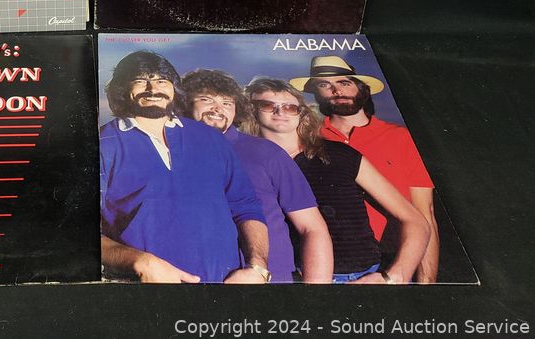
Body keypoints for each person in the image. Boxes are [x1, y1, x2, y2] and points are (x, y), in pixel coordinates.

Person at [100, 51, 270, 284]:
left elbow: (246, 207)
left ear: (174, 88)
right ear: (121, 88)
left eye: (162, 81)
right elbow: (79, 232)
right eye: (140, 81)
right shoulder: (103, 144)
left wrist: (258, 268)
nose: (153, 89)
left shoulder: (211, 138)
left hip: (224, 288)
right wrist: (140, 261)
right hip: (145, 292)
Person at [242, 77, 429, 284]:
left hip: (359, 277)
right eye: (268, 105)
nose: (280, 112)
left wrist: (394, 276)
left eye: (290, 107)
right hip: (290, 278)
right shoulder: (245, 163)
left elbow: (415, 220)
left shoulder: (340, 154)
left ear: (302, 113)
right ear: (251, 110)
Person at [290, 56, 439, 283]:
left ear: (362, 88)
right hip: (329, 266)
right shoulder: (307, 141)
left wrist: (426, 284)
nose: (337, 90)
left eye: (345, 82)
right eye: (324, 84)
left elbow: (424, 212)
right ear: (315, 93)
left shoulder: (401, 138)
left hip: (394, 263)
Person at [181, 69, 333, 283]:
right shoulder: (168, 153)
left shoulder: (267, 153)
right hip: (194, 281)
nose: (218, 108)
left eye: (227, 102)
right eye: (206, 99)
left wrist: (316, 296)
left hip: (269, 282)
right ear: (185, 103)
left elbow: (312, 228)